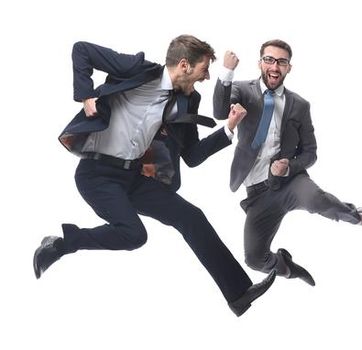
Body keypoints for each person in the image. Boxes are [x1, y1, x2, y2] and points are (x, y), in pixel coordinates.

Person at [35, 35, 274, 316]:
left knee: (191, 217)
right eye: (203, 69)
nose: (207, 76)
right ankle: (63, 244)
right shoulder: (138, 70)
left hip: (134, 177)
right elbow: (82, 50)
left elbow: (193, 155)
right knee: (134, 235)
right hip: (96, 174)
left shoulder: (188, 100)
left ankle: (238, 293)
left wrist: (229, 129)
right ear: (184, 65)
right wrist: (86, 94)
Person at [195, 39, 362, 287]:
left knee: (315, 198)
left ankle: (360, 216)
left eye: (281, 62)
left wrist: (288, 165)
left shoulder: (300, 105)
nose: (275, 66)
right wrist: (227, 71)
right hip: (257, 193)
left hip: (289, 182)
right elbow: (220, 112)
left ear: (288, 68)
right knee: (254, 259)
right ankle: (286, 266)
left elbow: (310, 153)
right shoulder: (243, 90)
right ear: (260, 63)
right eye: (269, 60)